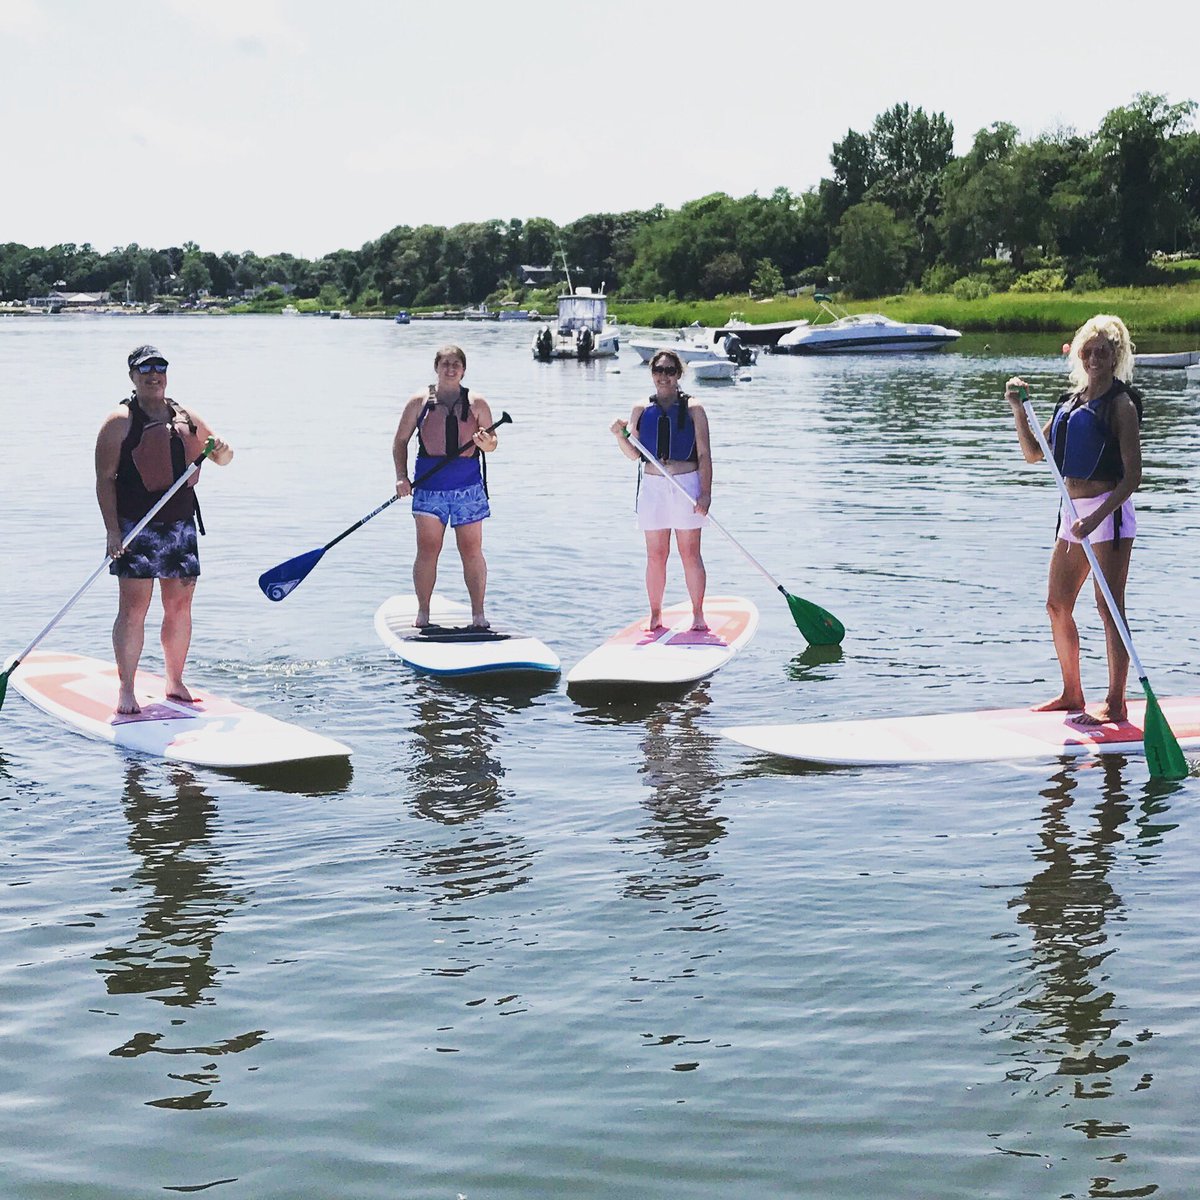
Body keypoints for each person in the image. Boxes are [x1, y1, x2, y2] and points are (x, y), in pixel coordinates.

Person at [1005, 314, 1143, 724]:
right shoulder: (1070, 403)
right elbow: (1034, 454)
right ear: (1079, 353)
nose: (1095, 357)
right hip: (1072, 513)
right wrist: (1018, 409)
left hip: (1109, 511)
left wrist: (1096, 516)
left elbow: (1133, 476)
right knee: (1057, 604)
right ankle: (1072, 693)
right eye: (1089, 350)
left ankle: (1116, 703)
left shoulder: (1120, 405)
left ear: (1116, 355)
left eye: (1104, 351)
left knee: (1108, 606)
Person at [95, 346, 234, 715]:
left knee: (179, 607)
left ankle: (174, 680)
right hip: (135, 528)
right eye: (145, 369)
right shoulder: (119, 422)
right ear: (132, 376)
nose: (153, 374)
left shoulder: (186, 416)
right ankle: (127, 689)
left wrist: (220, 449)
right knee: (133, 610)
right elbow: (104, 480)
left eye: (160, 367)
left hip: (180, 527)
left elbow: (223, 457)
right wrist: (112, 532)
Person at [393, 345, 500, 628]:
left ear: (464, 370)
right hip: (429, 488)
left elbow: (493, 444)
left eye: (456, 364)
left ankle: (478, 615)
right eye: (445, 364)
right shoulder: (418, 402)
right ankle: (423, 613)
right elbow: (400, 441)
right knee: (428, 549)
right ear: (436, 368)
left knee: (471, 549)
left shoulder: (477, 403)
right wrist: (401, 477)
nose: (451, 369)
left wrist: (485, 443)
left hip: (468, 488)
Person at [611, 348, 712, 631]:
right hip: (654, 486)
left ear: (678, 374)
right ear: (652, 373)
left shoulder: (694, 408)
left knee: (690, 553)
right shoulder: (641, 408)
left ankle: (698, 614)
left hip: (686, 484)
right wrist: (619, 436)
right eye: (658, 370)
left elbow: (704, 454)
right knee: (656, 554)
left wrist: (705, 493)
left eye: (670, 371)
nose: (663, 376)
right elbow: (633, 453)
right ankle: (656, 615)